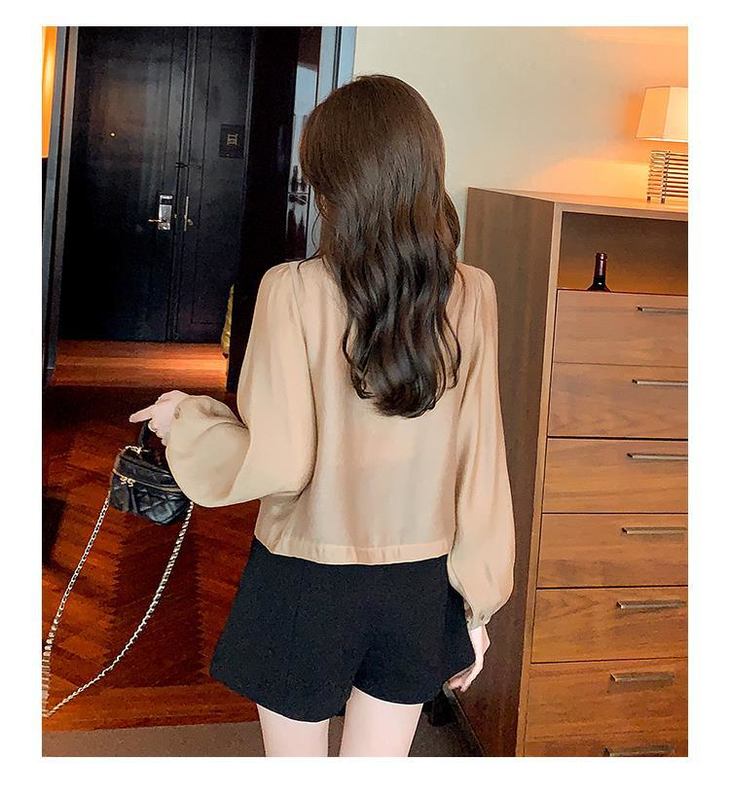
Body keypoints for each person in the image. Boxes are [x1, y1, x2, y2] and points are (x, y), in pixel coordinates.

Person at [129, 74, 515, 757]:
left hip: (305, 578)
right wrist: (477, 604)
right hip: (419, 584)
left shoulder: (292, 290)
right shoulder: (473, 294)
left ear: (329, 181)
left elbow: (278, 459)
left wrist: (185, 418)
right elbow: (482, 463)